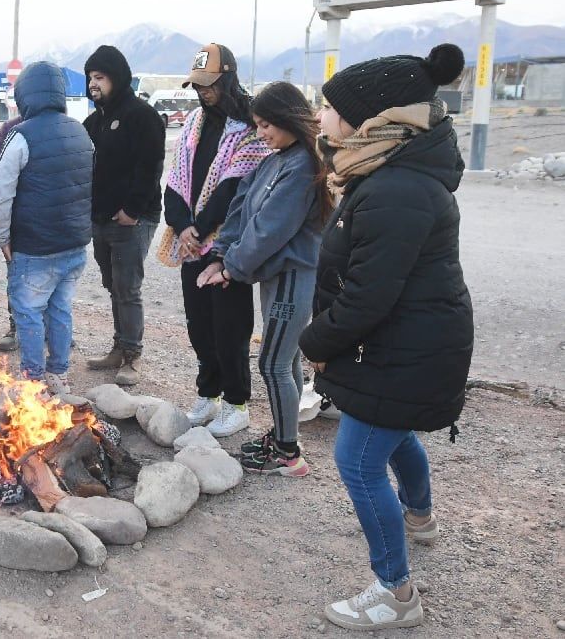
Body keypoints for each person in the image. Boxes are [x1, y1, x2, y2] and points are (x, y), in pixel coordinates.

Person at [298, 44, 472, 631]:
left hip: (405, 347)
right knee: (389, 436)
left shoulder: (395, 188)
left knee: (357, 457)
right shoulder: (390, 171)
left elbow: (368, 297)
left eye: (327, 108)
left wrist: (314, 341)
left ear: (370, 118)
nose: (319, 119)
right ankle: (418, 517)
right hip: (410, 342)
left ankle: (395, 592)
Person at [196, 81, 333, 475]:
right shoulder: (275, 161)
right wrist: (223, 253)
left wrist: (231, 268)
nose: (261, 133)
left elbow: (270, 230)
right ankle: (282, 437)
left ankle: (288, 454)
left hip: (292, 275)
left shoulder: (305, 165)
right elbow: (241, 208)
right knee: (283, 360)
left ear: (288, 118)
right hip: (274, 276)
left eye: (266, 124)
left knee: (273, 363)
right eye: (256, 125)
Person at [160, 44, 269, 437]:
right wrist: (183, 225)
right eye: (198, 85)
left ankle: (237, 402)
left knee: (231, 327)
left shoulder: (249, 129)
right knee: (199, 325)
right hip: (192, 243)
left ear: (228, 79)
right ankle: (208, 393)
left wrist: (201, 229)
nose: (202, 92)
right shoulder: (193, 125)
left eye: (209, 85)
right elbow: (175, 182)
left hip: (226, 245)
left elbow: (234, 191)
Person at [0, 62, 93, 396]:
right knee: (60, 309)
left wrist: (0, 237)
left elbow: (2, 194)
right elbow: (89, 185)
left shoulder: (21, 135)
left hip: (35, 248)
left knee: (29, 312)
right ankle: (59, 374)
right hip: (74, 245)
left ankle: (33, 380)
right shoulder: (80, 131)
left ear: (25, 95)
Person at [82, 45, 165, 386]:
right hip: (100, 219)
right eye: (90, 79)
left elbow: (150, 167)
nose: (92, 85)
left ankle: (132, 356)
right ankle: (119, 347)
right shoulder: (95, 120)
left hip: (134, 219)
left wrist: (131, 210)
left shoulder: (141, 115)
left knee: (127, 288)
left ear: (116, 78)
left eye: (99, 78)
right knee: (112, 284)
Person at [0, 116, 23, 352]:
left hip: (54, 224)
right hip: (18, 221)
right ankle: (16, 327)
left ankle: (51, 330)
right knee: (16, 277)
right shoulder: (11, 129)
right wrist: (12, 200)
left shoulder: (64, 126)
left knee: (55, 282)